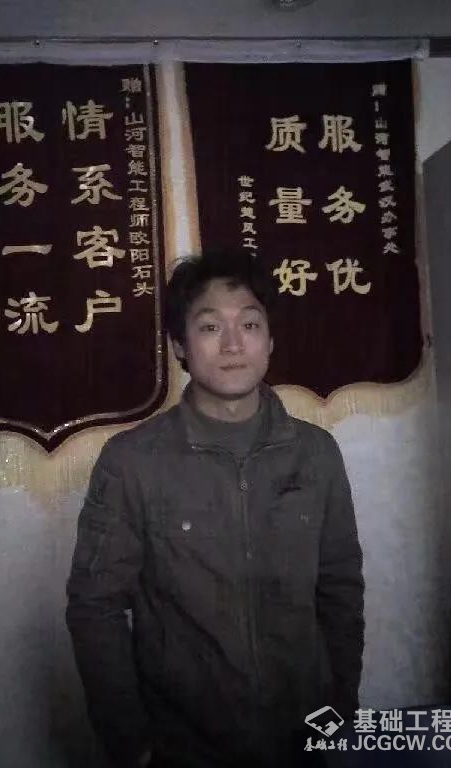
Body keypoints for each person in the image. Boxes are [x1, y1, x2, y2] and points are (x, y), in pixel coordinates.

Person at [66, 251, 365, 768]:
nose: (232, 344)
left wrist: (336, 719)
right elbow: (95, 607)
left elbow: (340, 589)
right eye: (210, 327)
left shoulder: (315, 453)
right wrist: (132, 745)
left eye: (249, 324)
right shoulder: (132, 462)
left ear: (270, 339)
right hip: (182, 748)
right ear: (179, 346)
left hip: (303, 740)